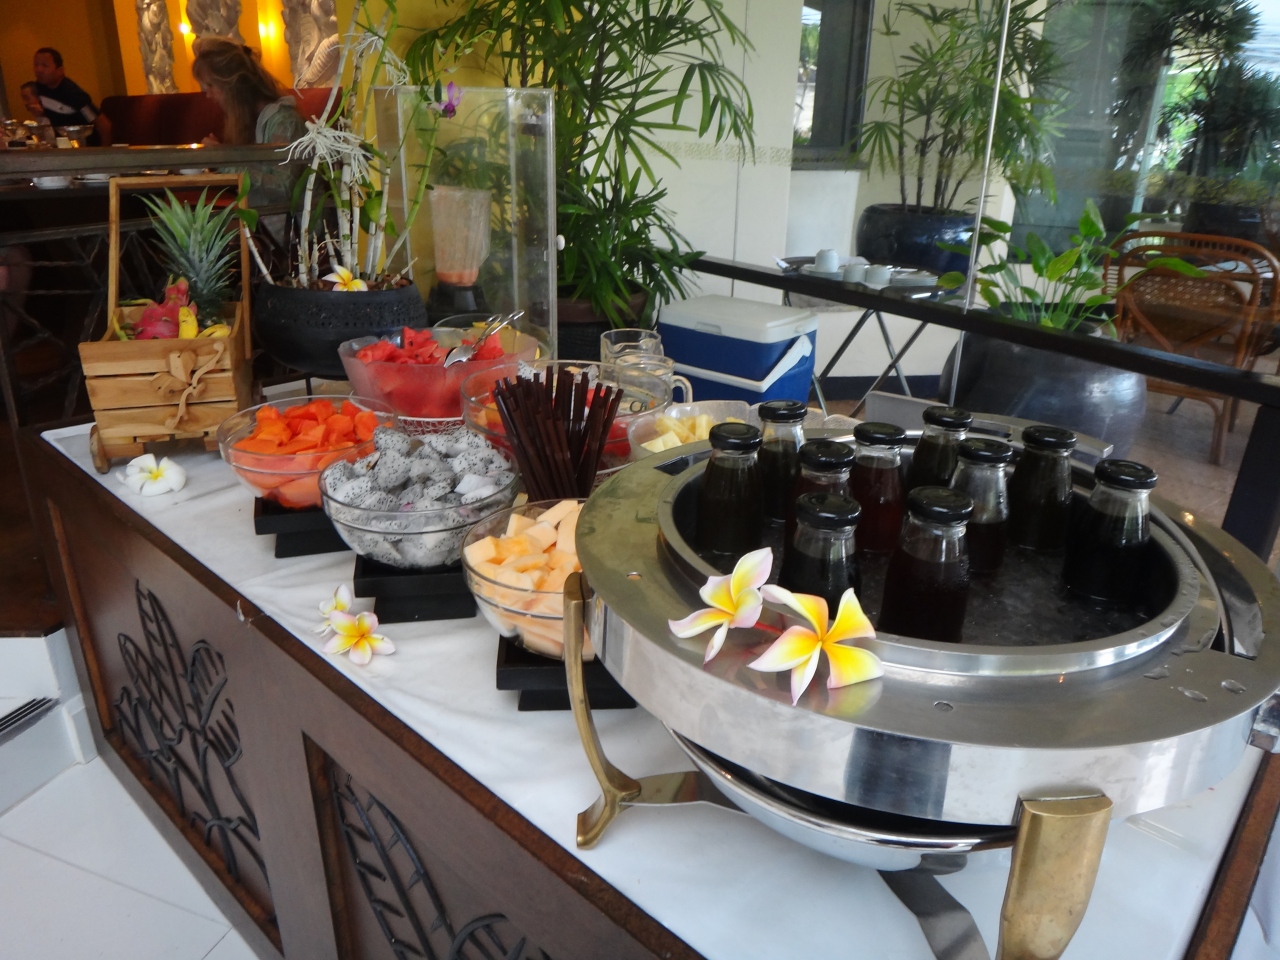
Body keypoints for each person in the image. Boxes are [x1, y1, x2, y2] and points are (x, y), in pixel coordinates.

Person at [192, 37, 306, 205]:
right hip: (263, 219)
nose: (208, 95)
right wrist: (220, 155)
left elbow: (283, 188)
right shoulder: (249, 121)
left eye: (211, 86)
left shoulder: (284, 121)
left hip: (301, 220)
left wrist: (222, 160)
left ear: (233, 85)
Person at [32, 47, 112, 145]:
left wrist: (104, 152)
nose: (39, 70)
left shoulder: (74, 94)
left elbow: (104, 125)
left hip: (81, 147)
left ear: (60, 70)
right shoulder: (38, 88)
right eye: (36, 65)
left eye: (44, 65)